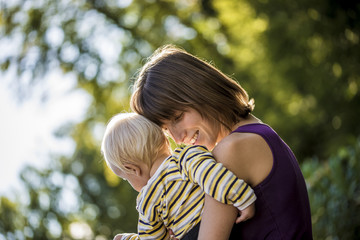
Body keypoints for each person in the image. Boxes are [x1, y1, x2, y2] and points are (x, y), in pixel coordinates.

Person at [130, 45, 313, 239]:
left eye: (177, 118)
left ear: (199, 90)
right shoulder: (257, 131)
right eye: (166, 129)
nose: (177, 138)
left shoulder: (230, 151)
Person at [101, 112, 257, 240]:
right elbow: (213, 175)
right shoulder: (184, 157)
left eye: (126, 179)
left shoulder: (147, 201)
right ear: (165, 140)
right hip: (226, 226)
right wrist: (241, 197)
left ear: (133, 169)